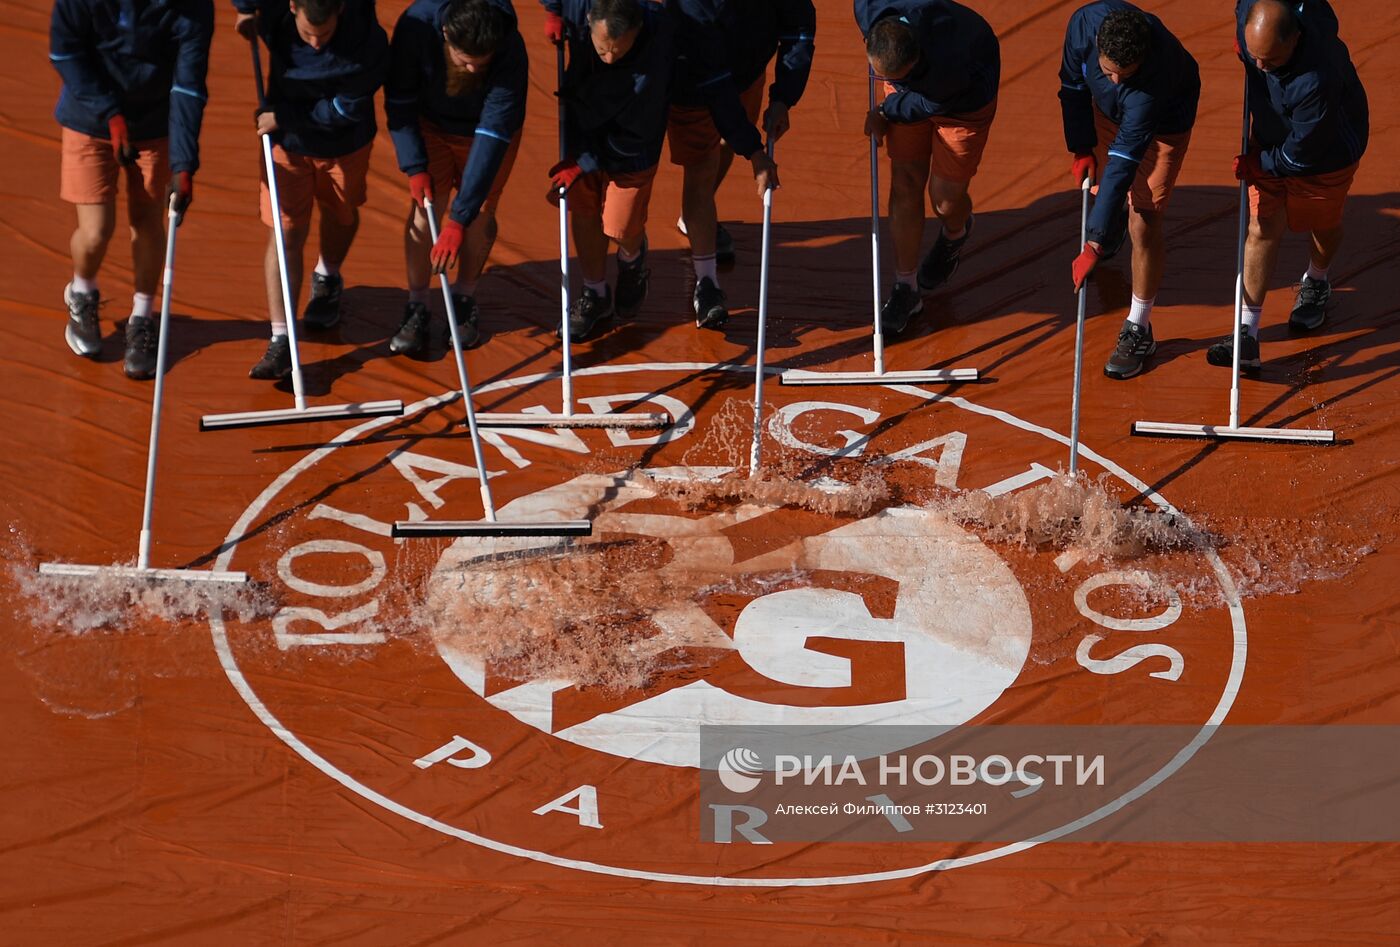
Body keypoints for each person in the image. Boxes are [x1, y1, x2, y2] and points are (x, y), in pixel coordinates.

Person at [49, 0, 214, 380]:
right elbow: (66, 52)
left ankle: (142, 317)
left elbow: (188, 85)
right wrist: (111, 115)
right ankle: (82, 292)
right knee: (95, 231)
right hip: (89, 117)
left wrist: (184, 163)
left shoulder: (191, 9)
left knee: (148, 221)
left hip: (154, 123)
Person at [232, 0, 388, 379]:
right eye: (307, 34)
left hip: (343, 143)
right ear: (290, 8)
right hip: (286, 145)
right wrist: (245, 8)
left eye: (325, 34)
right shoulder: (273, 16)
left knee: (341, 213)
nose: (316, 44)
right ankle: (281, 340)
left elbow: (345, 110)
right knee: (285, 233)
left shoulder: (367, 42)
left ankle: (328, 275)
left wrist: (283, 117)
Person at [1211, 0, 1368, 375]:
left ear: (1295, 39)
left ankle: (1317, 279)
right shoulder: (1251, 14)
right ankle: (1246, 334)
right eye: (1255, 57)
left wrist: (1259, 163)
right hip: (1272, 133)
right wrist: (1248, 54)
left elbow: (1302, 153)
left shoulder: (1317, 77)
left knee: (1322, 224)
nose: (1261, 67)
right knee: (1261, 227)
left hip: (1325, 154)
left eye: (1271, 61)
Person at [1058, 1, 1200, 380]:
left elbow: (1125, 159)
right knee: (1109, 186)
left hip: (1162, 124)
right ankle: (1112, 215)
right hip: (1104, 113)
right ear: (1097, 45)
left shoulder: (1153, 83)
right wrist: (1081, 146)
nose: (1116, 80)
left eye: (1126, 74)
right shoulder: (1083, 25)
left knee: (1145, 217)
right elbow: (1072, 86)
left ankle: (1140, 327)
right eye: (1109, 72)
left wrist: (1093, 243)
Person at [385, 0, 527, 355]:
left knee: (480, 211)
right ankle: (417, 304)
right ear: (445, 34)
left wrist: (459, 219)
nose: (472, 69)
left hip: (488, 132)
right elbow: (400, 98)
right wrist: (414, 165)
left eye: (481, 63)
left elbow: (493, 132)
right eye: (465, 60)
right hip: (430, 124)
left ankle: (463, 299)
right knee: (424, 212)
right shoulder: (415, 25)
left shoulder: (510, 48)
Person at [854, 0, 999, 337]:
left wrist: (885, 110)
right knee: (905, 182)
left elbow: (924, 103)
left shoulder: (951, 61)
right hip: (907, 90)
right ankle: (906, 289)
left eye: (894, 77)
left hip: (963, 106)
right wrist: (889, 91)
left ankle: (956, 231)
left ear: (915, 59)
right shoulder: (871, 10)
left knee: (945, 200)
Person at [541, 0, 675, 340]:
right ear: (588, 20)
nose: (611, 57)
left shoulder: (656, 52)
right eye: (602, 50)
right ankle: (594, 293)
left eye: (619, 49)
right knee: (583, 210)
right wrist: (553, 9)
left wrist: (582, 162)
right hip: (583, 118)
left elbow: (634, 134)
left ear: (638, 30)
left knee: (619, 226)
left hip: (629, 143)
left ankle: (632, 257)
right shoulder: (578, 5)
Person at [666, 0, 798, 329]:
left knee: (730, 138)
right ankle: (706, 284)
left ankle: (695, 220)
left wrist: (784, 96)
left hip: (746, 70)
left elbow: (800, 26)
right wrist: (754, 152)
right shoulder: (693, 15)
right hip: (692, 82)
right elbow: (717, 92)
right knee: (700, 169)